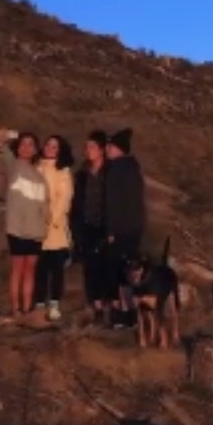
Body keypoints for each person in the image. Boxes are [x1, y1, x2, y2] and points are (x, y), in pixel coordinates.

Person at [0, 128, 47, 320]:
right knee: (17, 267)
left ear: (35, 149)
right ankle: (16, 309)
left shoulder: (40, 175)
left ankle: (27, 308)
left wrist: (45, 226)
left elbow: (43, 205)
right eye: (24, 144)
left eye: (31, 144)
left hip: (36, 229)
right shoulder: (13, 164)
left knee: (30, 269)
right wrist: (18, 134)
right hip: (16, 227)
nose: (26, 147)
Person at [104, 127, 146, 328]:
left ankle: (122, 312)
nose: (107, 150)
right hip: (135, 227)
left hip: (120, 229)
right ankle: (132, 312)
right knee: (131, 270)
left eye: (110, 146)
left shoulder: (116, 170)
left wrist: (110, 230)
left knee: (118, 272)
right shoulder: (133, 168)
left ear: (119, 149)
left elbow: (113, 203)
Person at [72, 130, 111, 326]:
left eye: (92, 147)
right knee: (89, 268)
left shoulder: (111, 173)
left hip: (105, 227)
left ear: (102, 150)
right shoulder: (82, 173)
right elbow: (77, 201)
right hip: (85, 226)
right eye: (87, 147)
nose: (88, 150)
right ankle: (94, 306)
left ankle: (107, 306)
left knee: (105, 267)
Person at [34, 135, 75, 321]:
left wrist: (51, 220)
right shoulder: (36, 167)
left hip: (56, 230)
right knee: (39, 269)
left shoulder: (63, 171)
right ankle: (39, 303)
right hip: (35, 227)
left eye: (55, 146)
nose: (50, 148)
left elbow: (64, 199)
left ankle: (55, 304)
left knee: (56, 270)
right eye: (48, 144)